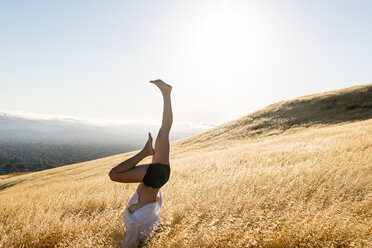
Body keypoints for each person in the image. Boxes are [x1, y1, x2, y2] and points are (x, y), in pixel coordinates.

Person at [109, 79, 173, 248]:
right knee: (113, 174)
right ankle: (145, 152)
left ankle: (166, 93)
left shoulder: (140, 229)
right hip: (153, 178)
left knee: (164, 132)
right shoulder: (138, 230)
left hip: (161, 177)